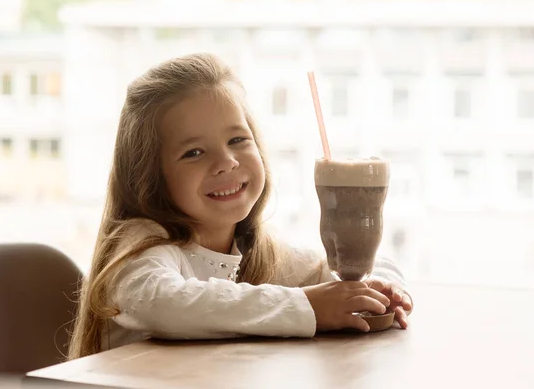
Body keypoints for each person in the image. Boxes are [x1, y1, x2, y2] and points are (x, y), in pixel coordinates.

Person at [68, 53, 413, 360]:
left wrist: (380, 287)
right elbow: (163, 303)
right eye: (194, 153)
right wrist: (307, 305)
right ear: (149, 175)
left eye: (237, 140)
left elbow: (334, 271)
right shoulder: (140, 246)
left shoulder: (254, 249)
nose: (227, 162)